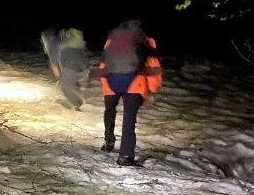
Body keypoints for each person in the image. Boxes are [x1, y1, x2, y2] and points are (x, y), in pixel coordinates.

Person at [99, 19, 162, 167]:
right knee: (129, 119)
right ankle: (125, 157)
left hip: (111, 81)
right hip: (136, 84)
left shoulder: (112, 41)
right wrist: (151, 91)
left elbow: (104, 63)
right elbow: (153, 67)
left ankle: (109, 140)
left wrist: (106, 84)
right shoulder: (147, 41)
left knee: (109, 110)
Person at [40, 28, 89, 110]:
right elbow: (82, 53)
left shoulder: (52, 43)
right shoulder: (65, 40)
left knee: (63, 85)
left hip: (68, 62)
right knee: (67, 81)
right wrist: (85, 69)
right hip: (77, 61)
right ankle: (74, 99)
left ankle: (76, 102)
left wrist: (56, 70)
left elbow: (54, 57)